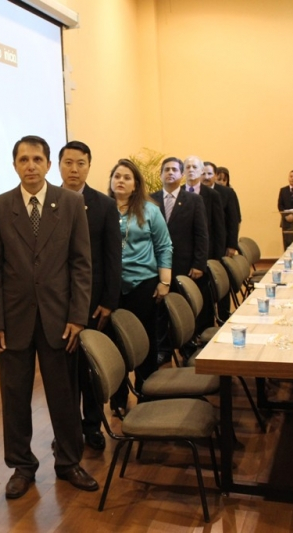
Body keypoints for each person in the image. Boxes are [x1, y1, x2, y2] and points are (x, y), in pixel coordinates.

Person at [0, 135, 98, 500]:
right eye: (23, 160)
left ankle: (69, 462)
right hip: (13, 320)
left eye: (37, 159)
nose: (30, 166)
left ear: (48, 164)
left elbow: (81, 265)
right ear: (14, 165)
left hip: (60, 320)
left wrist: (78, 316)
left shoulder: (71, 203)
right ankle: (21, 466)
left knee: (64, 396)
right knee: (14, 398)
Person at [58, 140, 121, 451]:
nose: (74, 169)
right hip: (57, 303)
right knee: (63, 372)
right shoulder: (48, 202)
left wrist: (109, 301)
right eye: (68, 163)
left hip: (94, 302)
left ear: (89, 166)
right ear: (59, 166)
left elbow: (112, 257)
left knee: (91, 367)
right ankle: (66, 431)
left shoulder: (104, 205)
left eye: (80, 163)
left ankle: (92, 425)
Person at [107, 158, 173, 417]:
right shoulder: (103, 209)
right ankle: (118, 399)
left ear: (135, 185)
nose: (121, 181)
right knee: (115, 345)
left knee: (145, 341)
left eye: (127, 177)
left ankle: (147, 393)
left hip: (143, 285)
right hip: (112, 288)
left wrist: (164, 282)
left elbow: (164, 246)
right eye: (117, 176)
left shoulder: (149, 210)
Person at [150, 157, 208, 365]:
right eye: (166, 169)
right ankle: (163, 350)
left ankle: (188, 346)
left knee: (185, 307)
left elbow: (201, 234)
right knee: (160, 310)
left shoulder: (193, 200)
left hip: (185, 265)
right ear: (160, 175)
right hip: (156, 266)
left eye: (175, 169)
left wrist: (199, 263)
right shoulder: (150, 200)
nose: (170, 173)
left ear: (181, 175)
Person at [183, 156, 225, 335]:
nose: (191, 170)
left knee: (204, 296)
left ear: (201, 171)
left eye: (195, 167)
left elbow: (218, 227)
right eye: (188, 167)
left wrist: (217, 258)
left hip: (206, 255)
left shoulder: (212, 195)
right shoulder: (179, 194)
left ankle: (204, 331)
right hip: (184, 255)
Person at [203, 161, 240, 257]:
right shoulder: (193, 192)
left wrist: (232, 245)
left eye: (209, 174)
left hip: (220, 242)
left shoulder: (227, 193)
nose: (206, 177)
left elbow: (233, 221)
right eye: (203, 174)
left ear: (215, 175)